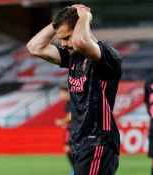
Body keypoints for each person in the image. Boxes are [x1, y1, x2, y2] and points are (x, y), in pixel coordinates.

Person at [27, 4, 122, 175]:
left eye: (67, 37)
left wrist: (84, 16)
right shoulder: (73, 58)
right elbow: (35, 47)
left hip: (98, 141)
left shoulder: (107, 55)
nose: (63, 44)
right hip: (81, 143)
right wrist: (58, 23)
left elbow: (80, 42)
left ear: (80, 29)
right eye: (60, 38)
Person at [55, 85, 74, 175]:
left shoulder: (71, 102)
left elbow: (71, 116)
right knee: (69, 149)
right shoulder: (68, 103)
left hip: (73, 130)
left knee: (69, 149)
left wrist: (62, 121)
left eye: (61, 93)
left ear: (67, 92)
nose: (60, 96)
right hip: (71, 129)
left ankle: (76, 168)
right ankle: (76, 168)